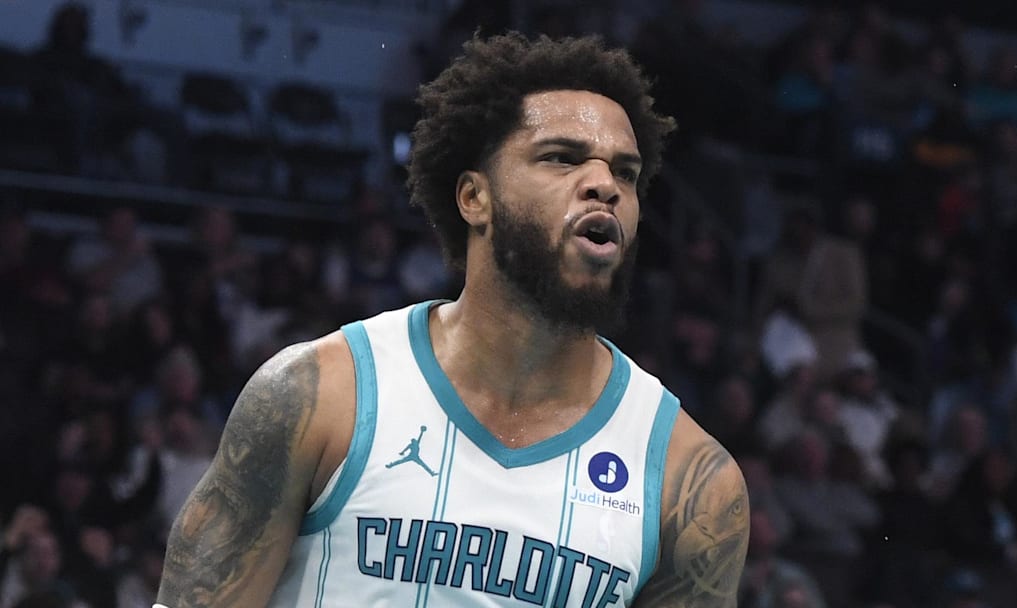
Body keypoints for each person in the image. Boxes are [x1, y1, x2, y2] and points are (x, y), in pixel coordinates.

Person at [156, 32, 749, 607]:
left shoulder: (690, 482)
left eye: (626, 172)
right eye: (561, 158)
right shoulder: (319, 395)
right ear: (474, 198)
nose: (604, 185)